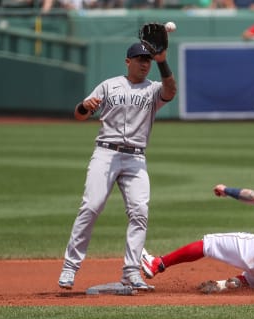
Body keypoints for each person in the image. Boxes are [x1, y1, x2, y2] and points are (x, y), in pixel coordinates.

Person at [57, 40, 177, 290]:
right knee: (90, 207)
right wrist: (84, 106)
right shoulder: (109, 85)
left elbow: (171, 90)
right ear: (128, 61)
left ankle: (132, 272)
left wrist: (162, 61)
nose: (145, 63)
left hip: (136, 158)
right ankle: (70, 267)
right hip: (105, 153)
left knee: (140, 212)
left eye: (148, 60)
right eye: (140, 59)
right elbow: (79, 114)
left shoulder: (154, 89)